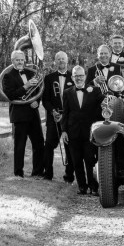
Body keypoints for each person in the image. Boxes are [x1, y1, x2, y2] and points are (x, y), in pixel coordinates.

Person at [61, 66, 105, 195]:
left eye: (81, 75)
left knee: (90, 160)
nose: (78, 78)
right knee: (76, 161)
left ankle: (93, 185)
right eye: (76, 76)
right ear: (72, 77)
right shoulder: (67, 92)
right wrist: (64, 131)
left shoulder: (95, 91)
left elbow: (103, 105)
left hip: (90, 133)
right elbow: (65, 113)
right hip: (72, 133)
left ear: (85, 76)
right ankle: (82, 186)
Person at [2, 50, 45, 178]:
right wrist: (26, 86)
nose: (20, 62)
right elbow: (10, 95)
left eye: (21, 59)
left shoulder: (30, 73)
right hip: (19, 115)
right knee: (20, 144)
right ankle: (18, 173)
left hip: (33, 113)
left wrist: (36, 101)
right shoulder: (8, 76)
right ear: (12, 61)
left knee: (39, 142)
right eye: (17, 60)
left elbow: (38, 90)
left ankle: (37, 171)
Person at [41, 51, 75, 183]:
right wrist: (53, 112)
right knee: (49, 144)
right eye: (58, 59)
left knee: (69, 147)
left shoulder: (74, 76)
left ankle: (69, 176)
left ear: (67, 61)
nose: (61, 61)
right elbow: (45, 100)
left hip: (69, 118)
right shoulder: (49, 78)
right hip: (54, 117)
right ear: (55, 62)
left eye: (63, 59)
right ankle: (48, 174)